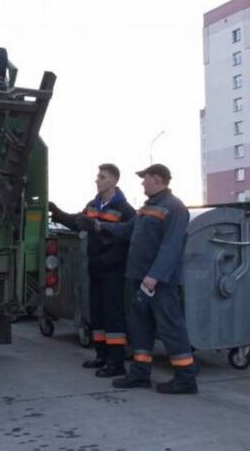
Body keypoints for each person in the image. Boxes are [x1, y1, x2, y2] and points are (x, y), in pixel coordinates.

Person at [96, 163, 198, 394]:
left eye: (146, 177)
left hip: (159, 283)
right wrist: (100, 226)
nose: (142, 182)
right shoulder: (146, 208)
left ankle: (186, 378)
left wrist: (154, 276)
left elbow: (171, 247)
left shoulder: (174, 208)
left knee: (171, 328)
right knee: (139, 328)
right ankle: (140, 374)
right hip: (137, 279)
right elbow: (127, 230)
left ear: (158, 179)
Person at [49, 163, 135, 378]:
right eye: (98, 176)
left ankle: (116, 363)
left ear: (114, 181)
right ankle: (101, 356)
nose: (97, 180)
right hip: (96, 269)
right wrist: (57, 213)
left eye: (102, 177)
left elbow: (129, 239)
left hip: (113, 271)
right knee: (97, 313)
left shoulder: (125, 210)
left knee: (113, 316)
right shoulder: (93, 205)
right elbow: (78, 222)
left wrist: (109, 259)